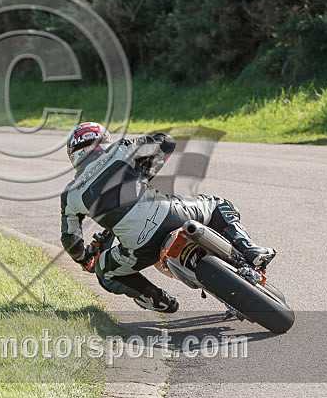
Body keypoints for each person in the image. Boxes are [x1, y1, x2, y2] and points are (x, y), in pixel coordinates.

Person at [60, 122, 276, 313]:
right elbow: (166, 142)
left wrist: (85, 258)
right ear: (104, 141)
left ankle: (156, 298)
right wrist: (145, 172)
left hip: (139, 249)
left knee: (105, 272)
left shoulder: (70, 194)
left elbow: (70, 240)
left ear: (73, 155)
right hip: (171, 215)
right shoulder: (120, 149)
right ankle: (249, 249)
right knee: (218, 204)